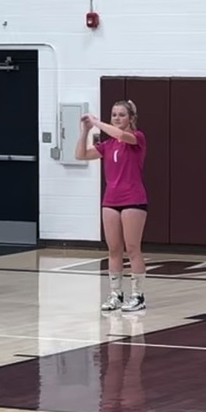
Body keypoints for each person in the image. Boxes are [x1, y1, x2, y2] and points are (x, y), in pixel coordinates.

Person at [75, 100, 148, 313]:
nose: (116, 118)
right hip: (110, 200)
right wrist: (85, 131)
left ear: (131, 118)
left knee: (132, 248)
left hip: (133, 199)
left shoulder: (137, 138)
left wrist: (97, 122)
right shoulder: (107, 145)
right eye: (114, 114)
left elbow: (122, 135)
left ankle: (138, 295)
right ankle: (116, 293)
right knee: (114, 249)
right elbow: (80, 155)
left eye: (121, 115)